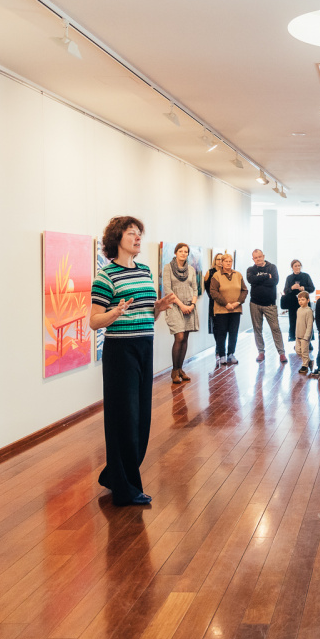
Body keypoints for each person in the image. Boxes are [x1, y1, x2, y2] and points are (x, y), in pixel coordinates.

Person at [90, 216, 179, 507]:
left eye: (139, 233)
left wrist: (158, 307)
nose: (138, 237)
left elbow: (147, 315)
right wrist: (114, 313)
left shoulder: (144, 270)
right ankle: (126, 489)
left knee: (141, 418)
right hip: (120, 351)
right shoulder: (106, 276)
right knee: (124, 418)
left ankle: (114, 475)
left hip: (144, 347)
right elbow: (94, 321)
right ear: (117, 239)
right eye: (132, 233)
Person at [162, 242, 200, 384]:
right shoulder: (168, 268)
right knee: (179, 336)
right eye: (181, 251)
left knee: (185, 339)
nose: (183, 254)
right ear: (175, 253)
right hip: (174, 306)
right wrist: (182, 305)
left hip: (189, 306)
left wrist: (192, 305)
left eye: (186, 251)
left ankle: (180, 369)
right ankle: (174, 371)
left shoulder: (191, 269)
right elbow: (168, 289)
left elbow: (195, 289)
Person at [247, 249, 286, 363]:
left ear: (263, 256)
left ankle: (282, 353)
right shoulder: (250, 270)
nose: (258, 259)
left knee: (275, 328)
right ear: (253, 259)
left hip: (270, 304)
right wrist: (266, 277)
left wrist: (258, 280)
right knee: (257, 329)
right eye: (255, 257)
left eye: (259, 256)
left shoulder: (272, 267)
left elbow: (274, 282)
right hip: (255, 303)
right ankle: (261, 352)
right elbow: (251, 280)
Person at [210, 252, 247, 364]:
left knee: (233, 332)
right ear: (222, 263)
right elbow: (213, 292)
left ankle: (231, 354)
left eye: (230, 261)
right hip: (221, 310)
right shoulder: (216, 275)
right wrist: (226, 304)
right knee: (221, 333)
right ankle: (222, 355)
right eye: (226, 261)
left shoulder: (238, 275)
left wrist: (237, 302)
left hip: (236, 309)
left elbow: (244, 290)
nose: (228, 263)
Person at [281, 259, 315, 342]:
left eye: (299, 265)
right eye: (295, 266)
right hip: (293, 303)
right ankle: (296, 341)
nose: (297, 267)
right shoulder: (289, 278)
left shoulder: (306, 276)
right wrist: (292, 288)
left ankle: (308, 341)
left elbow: (312, 288)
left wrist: (304, 288)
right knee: (294, 322)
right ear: (292, 267)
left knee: (306, 322)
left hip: (305, 303)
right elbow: (285, 290)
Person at [294, 290, 314, 374]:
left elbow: (310, 325)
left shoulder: (309, 311)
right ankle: (309, 361)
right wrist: (296, 334)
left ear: (308, 300)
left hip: (305, 336)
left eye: (302, 299)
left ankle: (305, 366)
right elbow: (298, 323)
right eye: (299, 300)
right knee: (298, 350)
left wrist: (307, 336)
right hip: (298, 334)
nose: (300, 301)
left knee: (304, 352)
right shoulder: (298, 310)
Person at [205, 253, 224, 337]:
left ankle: (222, 343)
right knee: (215, 325)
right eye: (218, 259)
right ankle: (218, 344)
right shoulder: (210, 272)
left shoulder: (226, 272)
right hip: (213, 302)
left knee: (223, 326)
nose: (220, 261)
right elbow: (207, 287)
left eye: (222, 259)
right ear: (215, 261)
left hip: (225, 302)